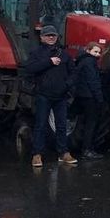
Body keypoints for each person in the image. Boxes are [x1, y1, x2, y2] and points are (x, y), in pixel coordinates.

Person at [25, 25, 76, 167]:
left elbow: (73, 72)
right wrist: (49, 62)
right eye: (48, 35)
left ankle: (63, 152)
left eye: (53, 35)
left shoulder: (64, 54)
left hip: (61, 95)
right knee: (40, 125)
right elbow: (29, 69)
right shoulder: (36, 53)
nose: (51, 37)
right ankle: (37, 154)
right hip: (43, 95)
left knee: (61, 125)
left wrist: (67, 85)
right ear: (41, 38)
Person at [72, 42, 105, 159]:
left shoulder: (81, 61)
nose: (97, 54)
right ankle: (87, 150)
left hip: (81, 96)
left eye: (99, 52)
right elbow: (93, 81)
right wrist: (99, 98)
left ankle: (85, 148)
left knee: (84, 122)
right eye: (95, 51)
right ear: (88, 51)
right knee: (91, 123)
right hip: (90, 97)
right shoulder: (90, 62)